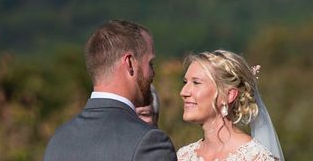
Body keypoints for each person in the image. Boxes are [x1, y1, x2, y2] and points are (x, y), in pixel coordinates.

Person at [44, 20, 177, 161]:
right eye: (150, 63)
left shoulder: (58, 140)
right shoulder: (149, 142)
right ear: (130, 63)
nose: (153, 73)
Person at [178, 50, 284, 161]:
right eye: (185, 82)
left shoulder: (255, 157)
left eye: (196, 83)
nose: (183, 92)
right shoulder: (183, 156)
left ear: (229, 95)